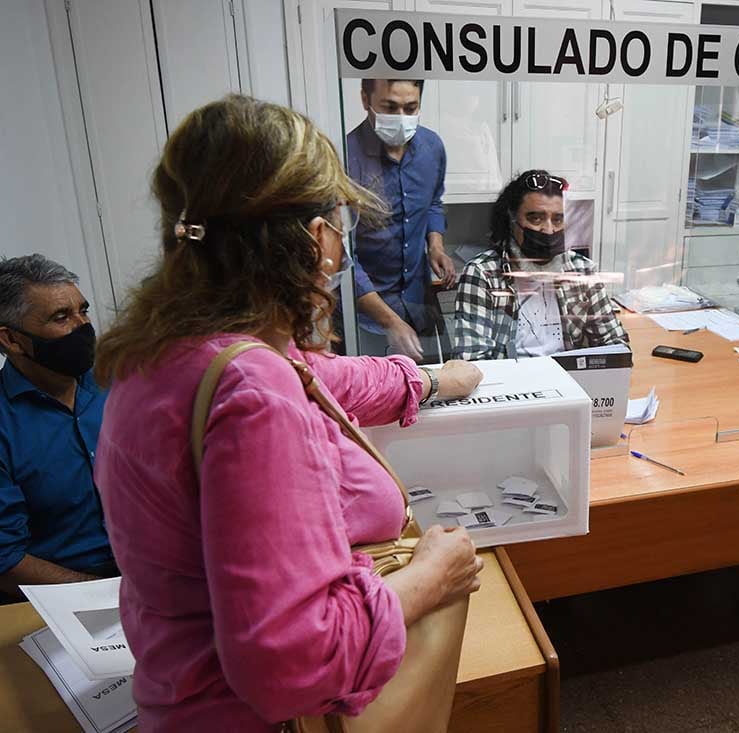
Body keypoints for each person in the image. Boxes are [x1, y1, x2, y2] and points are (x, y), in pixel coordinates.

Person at [92, 95, 484, 730]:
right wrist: (431, 578)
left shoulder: (164, 350)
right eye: (338, 222)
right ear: (312, 238)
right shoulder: (252, 392)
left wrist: (431, 378)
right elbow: (293, 665)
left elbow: (324, 376)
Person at [0, 254, 116, 597]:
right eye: (61, 317)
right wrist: (106, 594)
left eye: (83, 310)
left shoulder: (120, 385)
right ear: (11, 339)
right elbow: (5, 562)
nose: (82, 327)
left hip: (155, 578)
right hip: (58, 597)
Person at [453, 170, 628, 361]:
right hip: (511, 383)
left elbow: (616, 346)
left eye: (557, 219)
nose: (548, 229)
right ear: (512, 220)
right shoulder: (482, 274)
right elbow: (471, 361)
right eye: (536, 218)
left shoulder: (581, 270)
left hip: (569, 381)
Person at [345, 78, 455, 362]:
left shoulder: (433, 148)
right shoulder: (345, 159)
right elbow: (343, 257)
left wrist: (436, 246)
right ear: (365, 99)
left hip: (418, 302)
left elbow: (432, 202)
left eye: (411, 108)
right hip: (365, 315)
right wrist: (389, 320)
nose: (402, 118)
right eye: (390, 107)